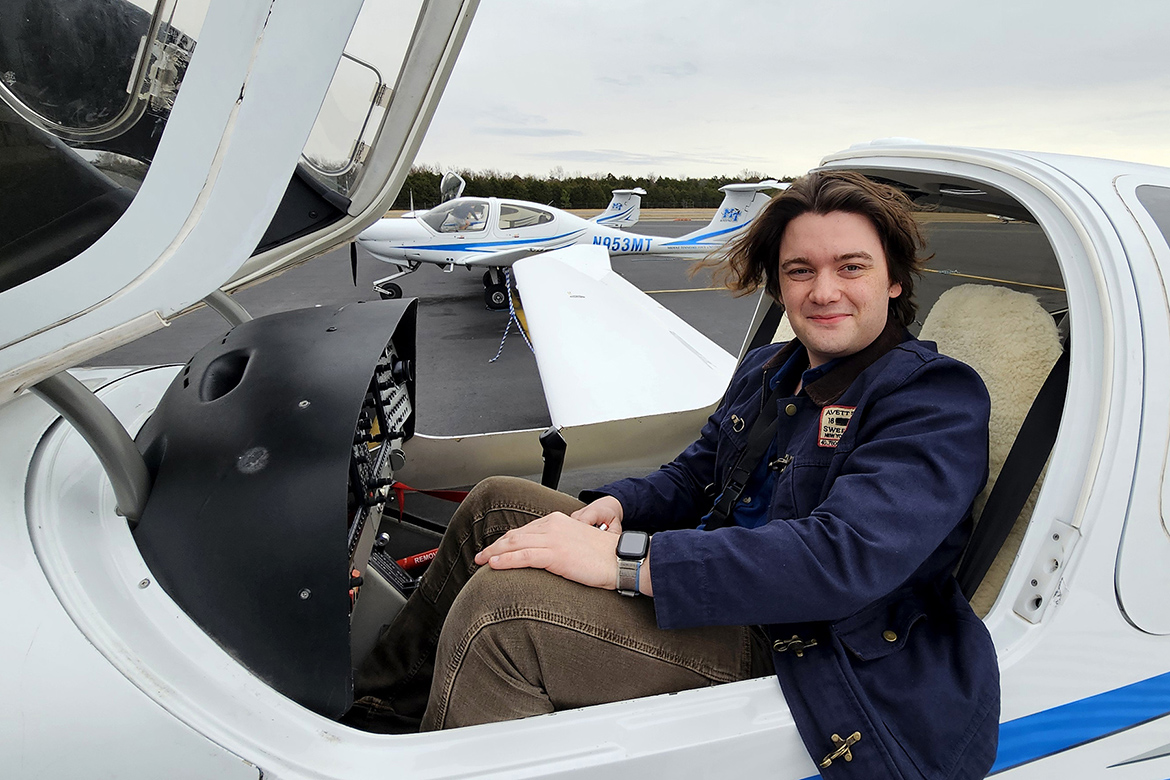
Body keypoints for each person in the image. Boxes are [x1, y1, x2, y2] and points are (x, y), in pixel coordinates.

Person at [349, 171, 999, 779]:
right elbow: (694, 477)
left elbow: (840, 559)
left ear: (893, 279)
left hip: (806, 642)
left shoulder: (933, 399)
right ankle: (378, 721)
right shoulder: (772, 369)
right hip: (720, 585)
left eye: (850, 267)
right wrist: (620, 511)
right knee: (492, 507)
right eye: (801, 271)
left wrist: (628, 561)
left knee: (501, 615)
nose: (823, 292)